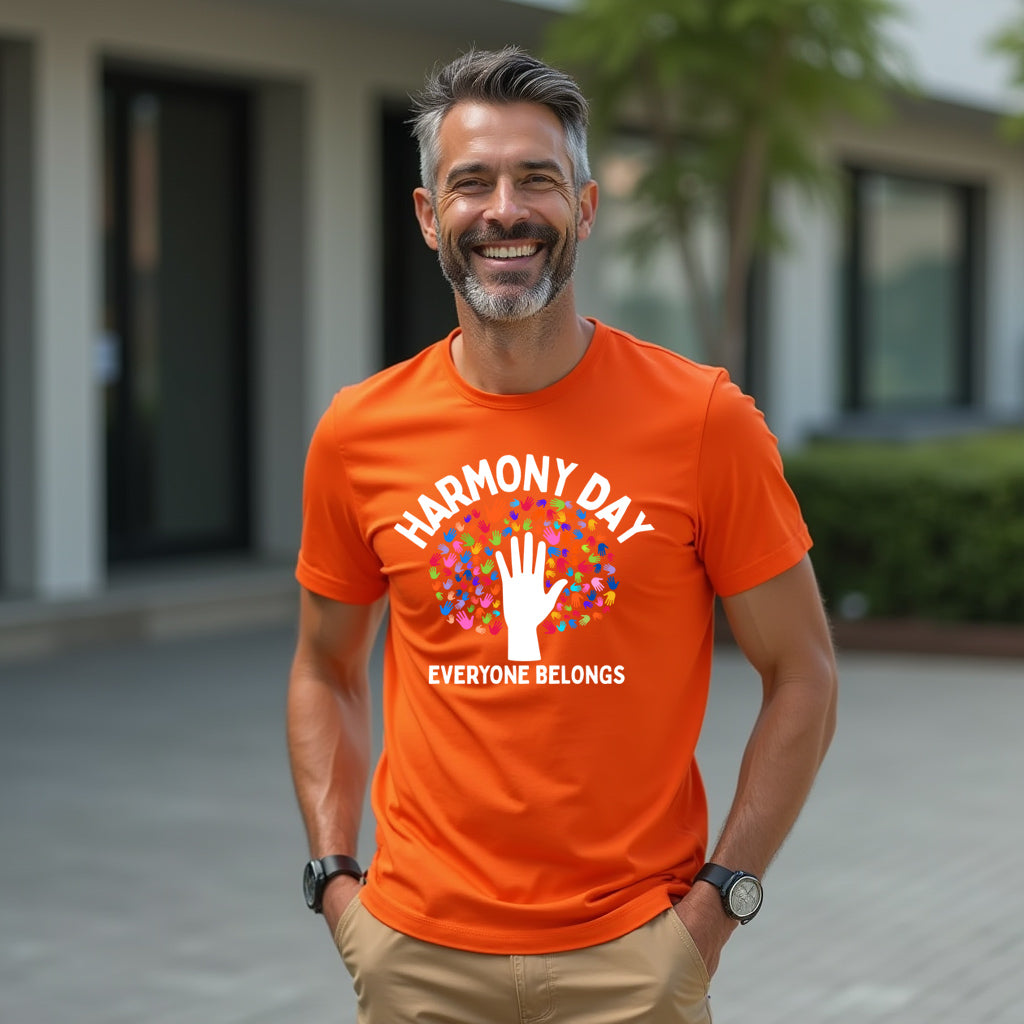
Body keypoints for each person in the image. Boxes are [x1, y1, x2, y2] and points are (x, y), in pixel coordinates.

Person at [287, 45, 838, 1024]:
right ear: (428, 218)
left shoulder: (704, 419)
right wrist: (336, 881)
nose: (505, 209)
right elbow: (325, 667)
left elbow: (802, 672)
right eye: (471, 183)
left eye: (536, 178)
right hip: (417, 954)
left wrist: (718, 906)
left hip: (633, 957)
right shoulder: (358, 431)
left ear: (584, 207)